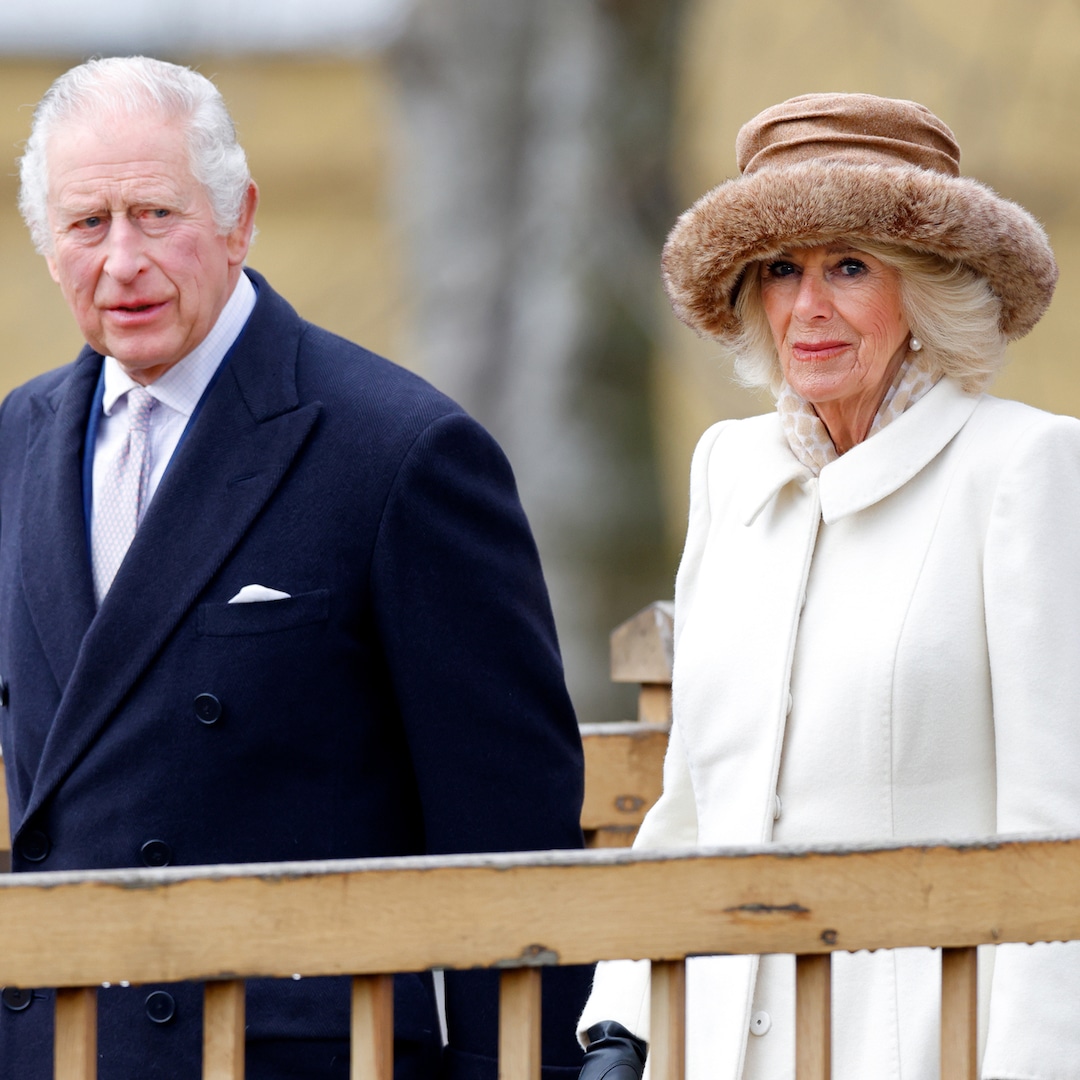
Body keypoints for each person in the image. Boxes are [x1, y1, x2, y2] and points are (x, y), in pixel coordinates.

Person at [0, 55, 591, 1079]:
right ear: (47, 246)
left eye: (156, 214)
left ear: (239, 219)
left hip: (296, 1054)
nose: (122, 260)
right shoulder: (17, 435)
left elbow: (514, 832)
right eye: (86, 224)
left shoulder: (402, 452)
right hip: (53, 1044)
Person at [576, 93, 1080, 1079]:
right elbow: (692, 799)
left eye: (849, 267)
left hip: (923, 1050)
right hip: (715, 1049)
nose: (807, 307)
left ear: (929, 287)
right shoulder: (732, 467)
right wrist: (622, 1020)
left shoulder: (1027, 467)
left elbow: (1057, 830)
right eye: (780, 270)